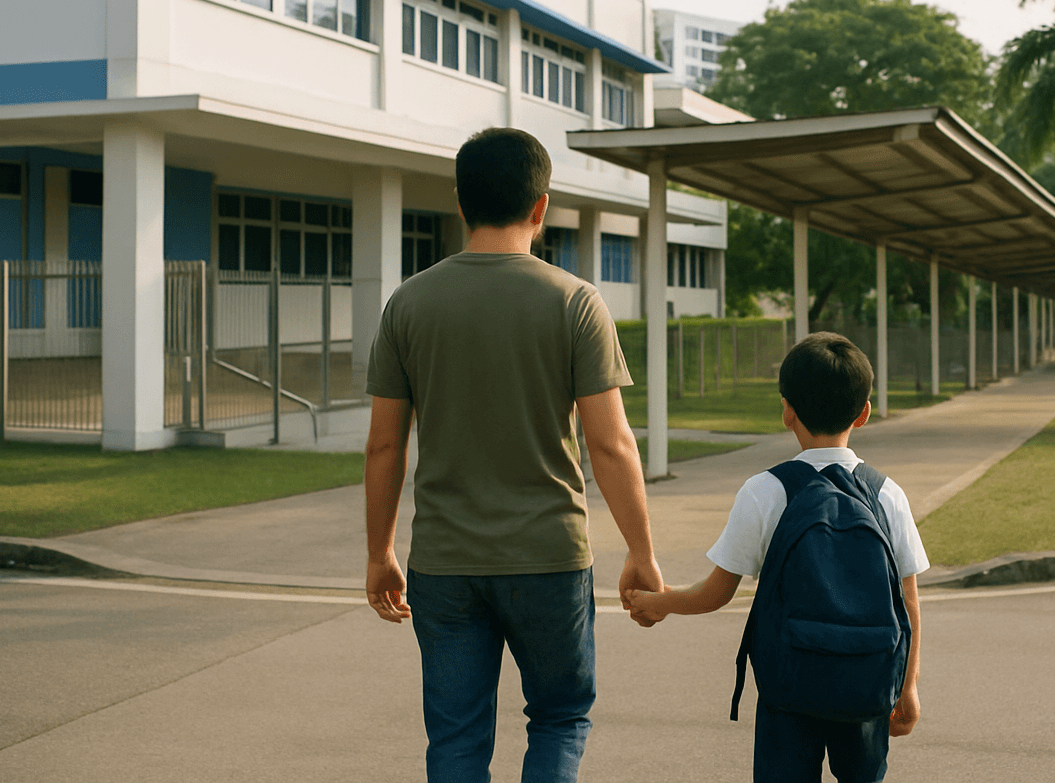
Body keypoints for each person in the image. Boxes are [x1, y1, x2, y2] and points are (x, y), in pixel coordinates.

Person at [363, 126, 662, 783]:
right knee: (558, 717)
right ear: (541, 206)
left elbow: (385, 444)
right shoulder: (575, 301)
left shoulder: (408, 303)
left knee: (456, 738)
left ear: (460, 204)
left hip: (444, 563)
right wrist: (641, 552)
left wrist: (380, 551)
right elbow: (609, 444)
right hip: (549, 558)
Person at [626, 332, 927, 782]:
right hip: (865, 684)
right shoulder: (887, 494)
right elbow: (909, 603)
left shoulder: (766, 491)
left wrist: (659, 602)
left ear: (787, 411)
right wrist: (909, 687)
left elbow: (715, 593)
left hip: (789, 688)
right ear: (863, 413)